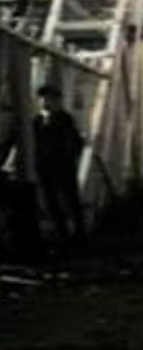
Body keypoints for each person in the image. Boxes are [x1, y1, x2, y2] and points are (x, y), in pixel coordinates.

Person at [33, 85, 86, 249]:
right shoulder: (36, 120)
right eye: (42, 98)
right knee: (52, 202)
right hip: (45, 167)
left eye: (49, 98)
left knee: (71, 199)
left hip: (63, 166)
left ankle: (79, 234)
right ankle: (62, 233)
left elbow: (76, 141)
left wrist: (70, 158)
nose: (45, 102)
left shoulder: (64, 118)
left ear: (57, 100)